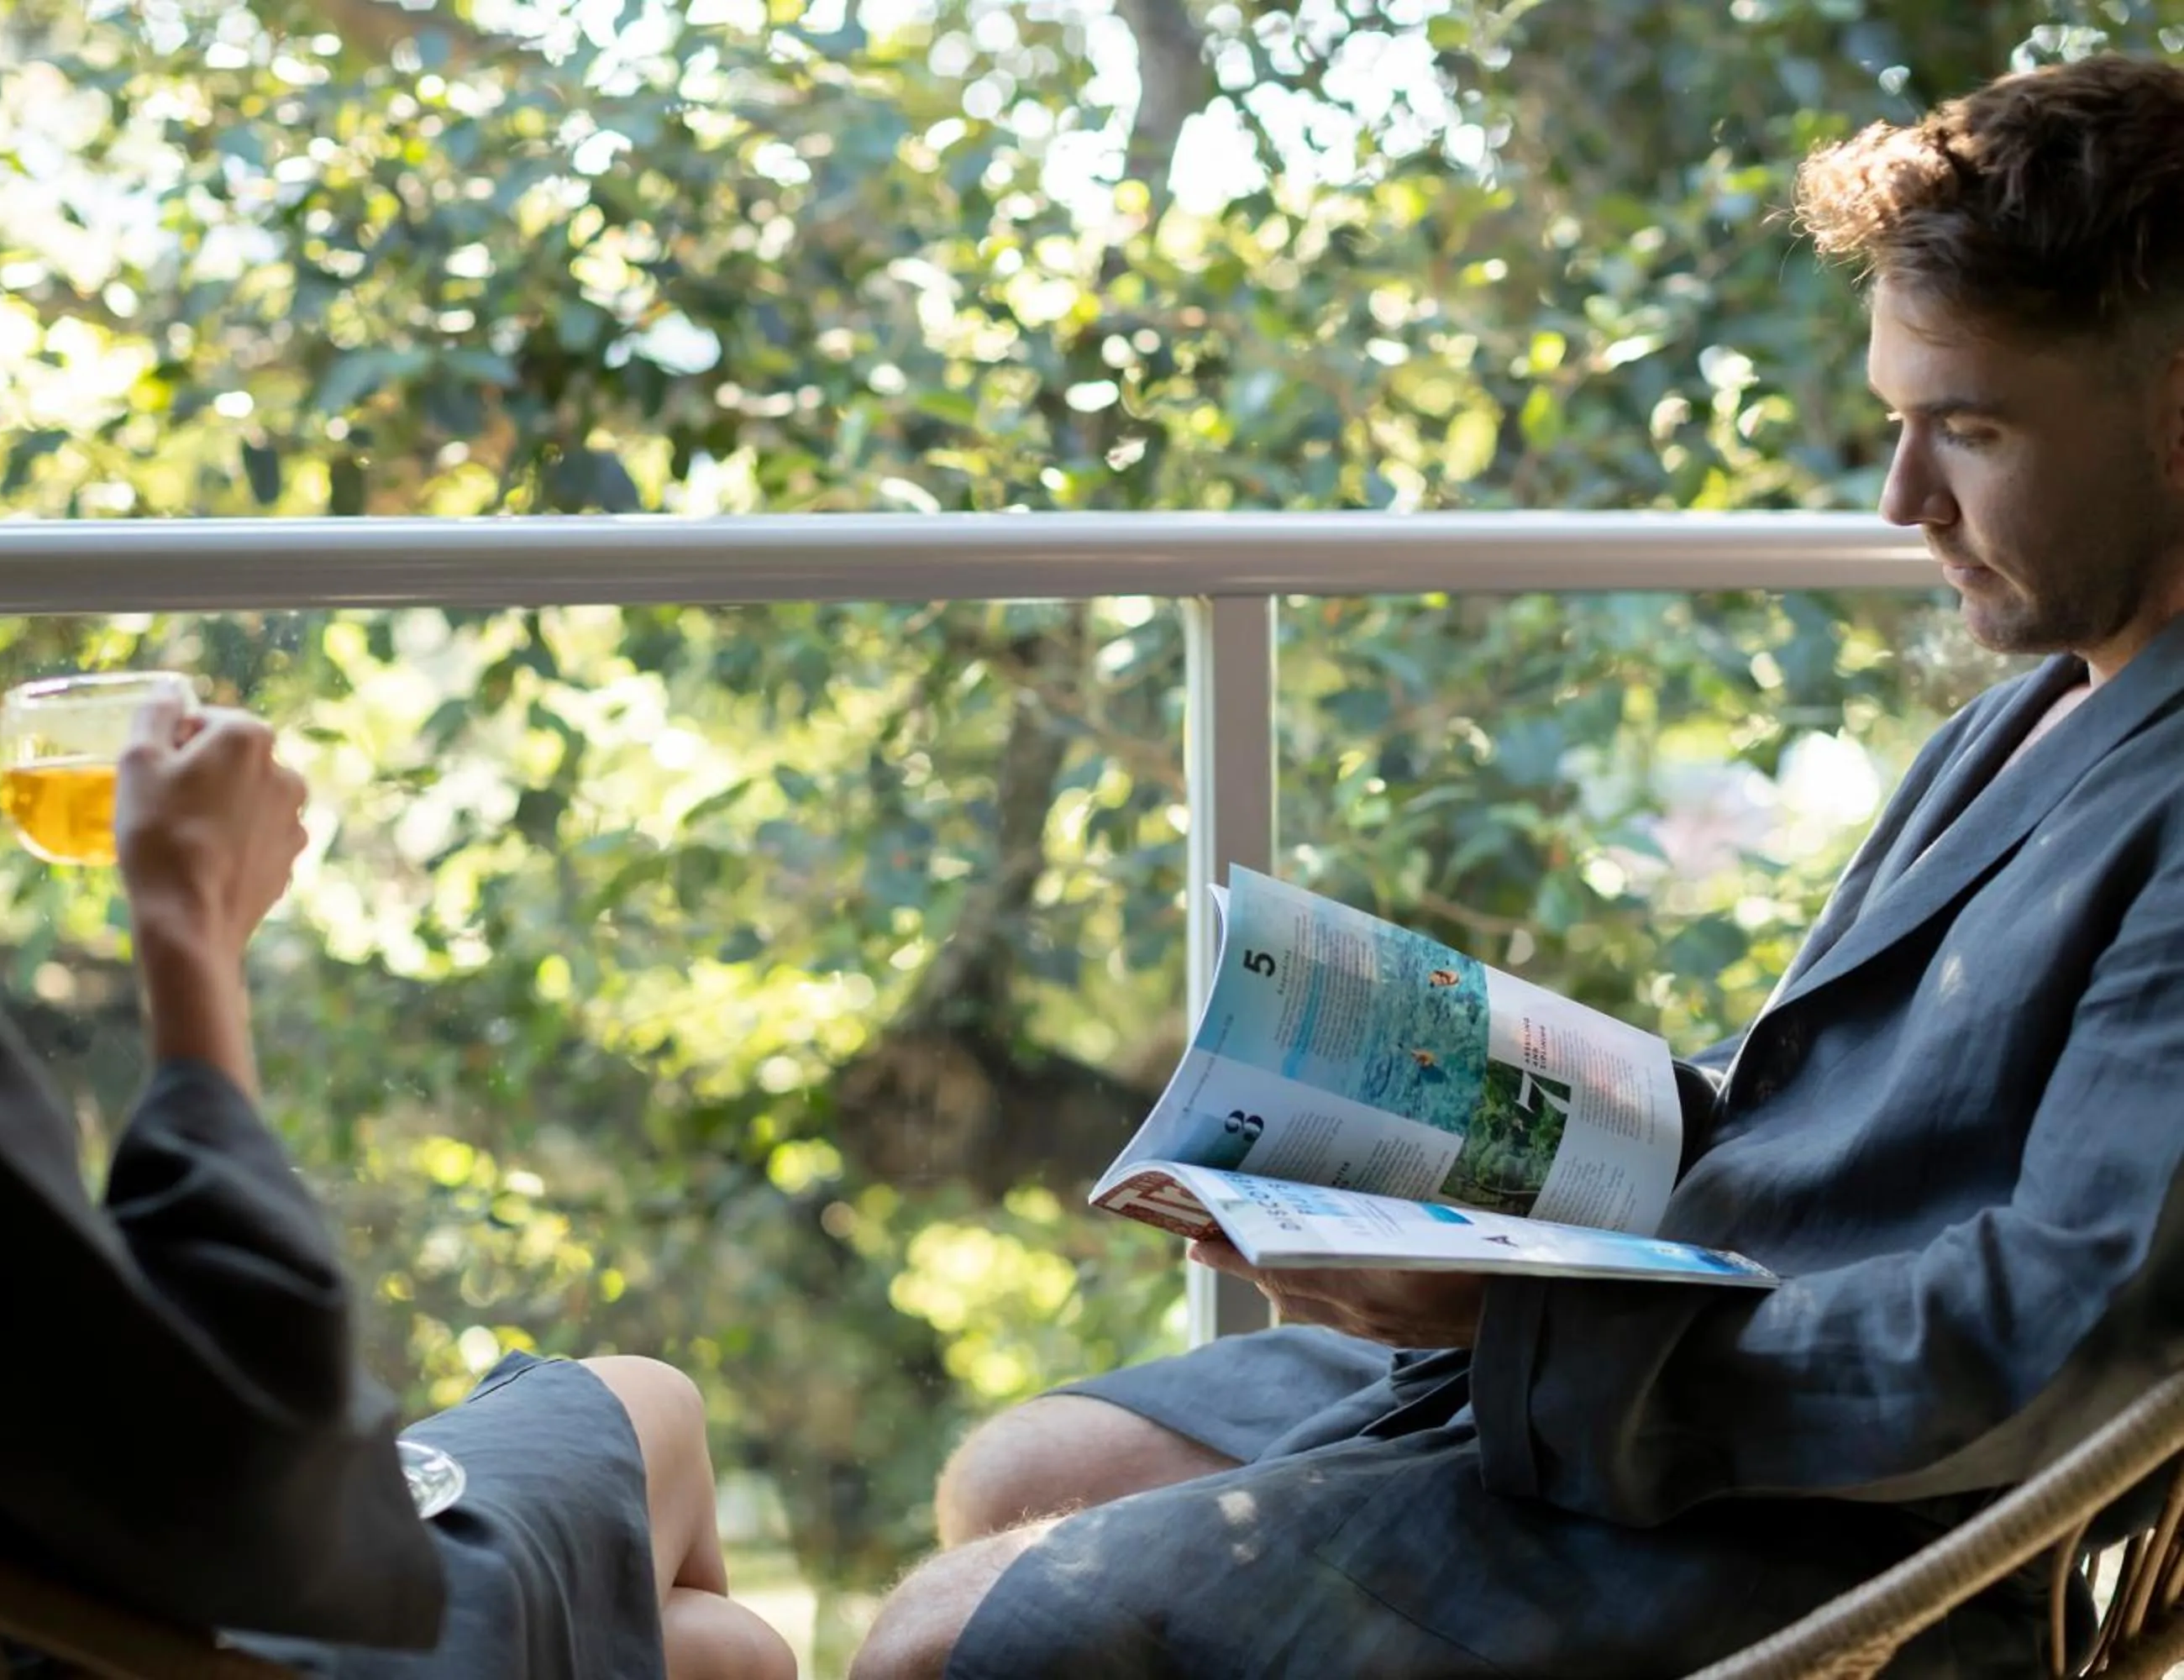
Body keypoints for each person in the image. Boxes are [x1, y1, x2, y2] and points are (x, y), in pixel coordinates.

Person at [852, 50, 2184, 1680]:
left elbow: (2053, 1338)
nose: (1904, 498)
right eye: (1897, 421)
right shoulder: (2044, 700)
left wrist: (1527, 1323)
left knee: (946, 1640)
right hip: (1678, 1331)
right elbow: (1839, 1102)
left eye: (1967, 428)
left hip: (1830, 1504)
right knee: (1022, 1468)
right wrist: (1463, 1152)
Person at [0, 53, 792, 1680]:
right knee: (656, 1435)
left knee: (714, 1641)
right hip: (90, 1640)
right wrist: (192, 935)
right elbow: (260, 1494)